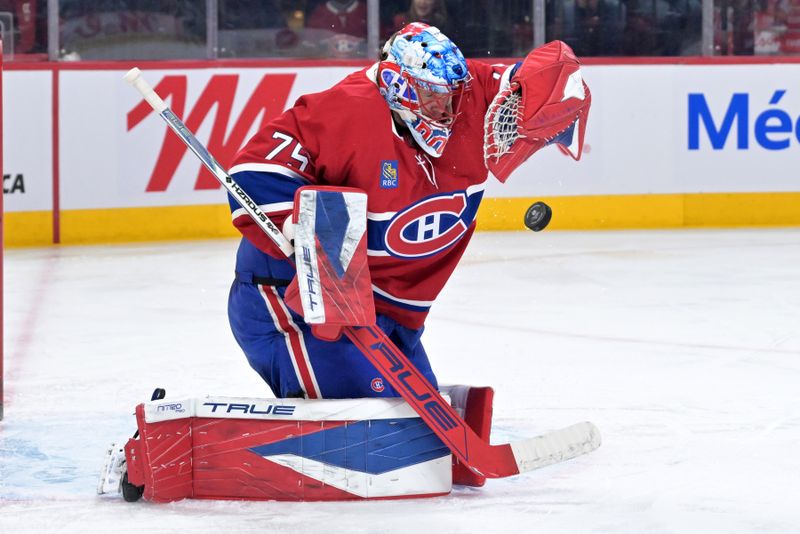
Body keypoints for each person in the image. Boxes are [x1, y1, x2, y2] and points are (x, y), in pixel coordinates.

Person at [226, 23, 587, 400]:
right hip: (292, 305)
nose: (447, 109)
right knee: (375, 422)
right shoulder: (343, 110)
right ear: (397, 85)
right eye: (433, 97)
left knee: (416, 418)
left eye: (450, 95)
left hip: (389, 317)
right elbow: (254, 171)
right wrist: (299, 232)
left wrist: (557, 84)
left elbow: (521, 84)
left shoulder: (467, 94)